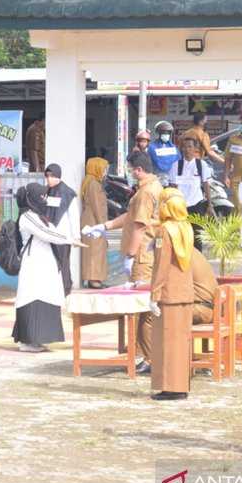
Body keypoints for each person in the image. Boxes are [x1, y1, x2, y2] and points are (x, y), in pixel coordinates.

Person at [84, 151, 162, 374]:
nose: (128, 173)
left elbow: (139, 226)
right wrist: (104, 227)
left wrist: (129, 255)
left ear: (138, 169)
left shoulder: (146, 192)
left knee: (142, 309)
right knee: (142, 308)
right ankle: (142, 354)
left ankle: (148, 357)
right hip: (146, 253)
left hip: (142, 256)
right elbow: (130, 216)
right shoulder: (152, 188)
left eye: (130, 169)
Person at [13, 183, 85, 352]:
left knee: (45, 298)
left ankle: (38, 339)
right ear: (33, 199)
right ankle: (28, 341)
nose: (44, 199)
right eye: (42, 196)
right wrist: (71, 239)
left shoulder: (40, 216)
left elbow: (51, 229)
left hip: (44, 265)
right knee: (32, 299)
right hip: (34, 265)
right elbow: (47, 234)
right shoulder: (28, 217)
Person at [149, 189, 195, 401]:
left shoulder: (165, 231)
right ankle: (182, 385)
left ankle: (170, 387)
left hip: (168, 294)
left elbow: (161, 266)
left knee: (167, 341)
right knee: (181, 341)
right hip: (185, 293)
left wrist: (154, 294)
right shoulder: (186, 227)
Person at [169, 137, 213, 251]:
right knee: (181, 237)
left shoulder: (201, 165)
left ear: (195, 149)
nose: (187, 149)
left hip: (197, 206)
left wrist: (210, 205)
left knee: (197, 238)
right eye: (184, 147)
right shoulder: (175, 166)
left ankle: (197, 264)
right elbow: (172, 188)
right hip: (180, 208)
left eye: (190, 146)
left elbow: (206, 185)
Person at [44, 163, 79, 295]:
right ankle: (54, 289)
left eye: (51, 176)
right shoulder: (46, 191)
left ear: (58, 176)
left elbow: (74, 216)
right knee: (51, 263)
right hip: (50, 234)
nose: (49, 179)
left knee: (63, 263)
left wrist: (76, 236)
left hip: (64, 236)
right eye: (47, 176)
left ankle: (66, 288)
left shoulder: (68, 193)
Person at [80, 158, 109, 289]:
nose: (105, 172)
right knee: (95, 252)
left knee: (94, 251)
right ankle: (94, 279)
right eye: (103, 169)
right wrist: (102, 225)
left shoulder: (90, 182)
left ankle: (95, 278)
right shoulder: (94, 184)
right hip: (94, 222)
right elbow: (97, 207)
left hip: (91, 221)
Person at [148, 121, 180, 186]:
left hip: (172, 180)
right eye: (164, 132)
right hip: (157, 179)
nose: (166, 134)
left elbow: (179, 161)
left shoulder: (173, 147)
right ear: (159, 133)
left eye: (168, 133)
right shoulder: (152, 147)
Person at [190, 247, 218, 325]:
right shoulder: (193, 251)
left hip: (199, 310)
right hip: (209, 309)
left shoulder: (180, 254)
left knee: (155, 314)